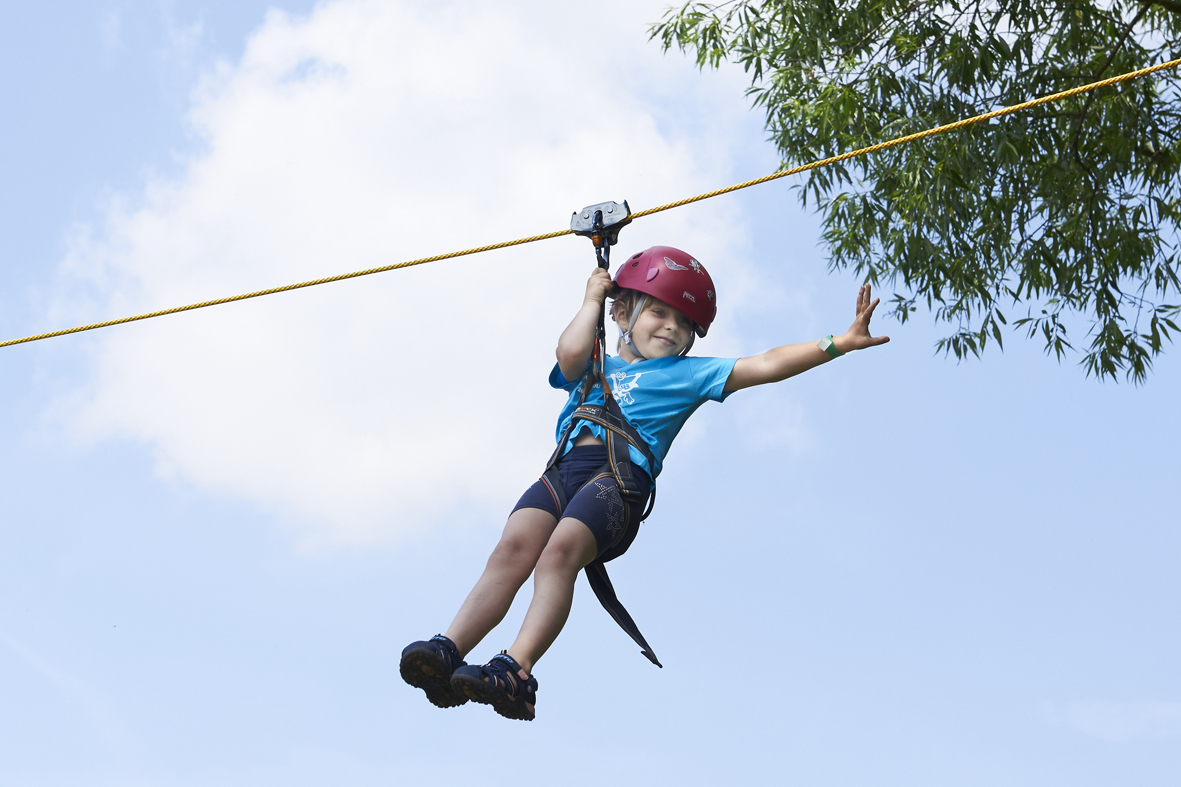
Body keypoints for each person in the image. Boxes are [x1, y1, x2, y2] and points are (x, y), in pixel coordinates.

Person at [399, 245, 889, 721]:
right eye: (658, 312)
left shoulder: (688, 374)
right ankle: (449, 650)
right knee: (511, 549)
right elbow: (567, 351)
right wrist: (592, 298)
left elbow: (763, 363)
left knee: (559, 552)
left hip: (618, 480)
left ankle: (517, 669)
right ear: (622, 314)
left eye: (682, 323)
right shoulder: (593, 364)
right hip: (564, 471)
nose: (671, 327)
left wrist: (837, 344)